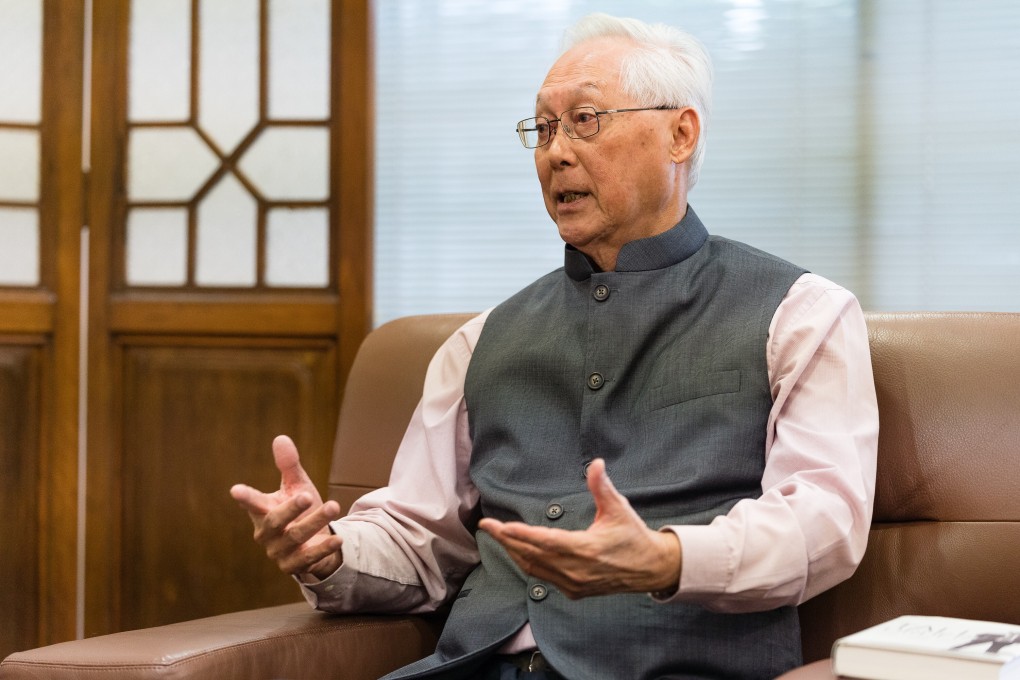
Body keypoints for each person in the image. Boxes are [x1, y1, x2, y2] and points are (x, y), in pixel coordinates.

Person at [231, 13, 878, 680]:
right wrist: (326, 550)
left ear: (679, 134)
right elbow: (419, 539)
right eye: (542, 129)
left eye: (585, 120)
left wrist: (669, 558)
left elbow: (823, 522)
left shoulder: (800, 314)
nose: (555, 152)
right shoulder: (479, 342)